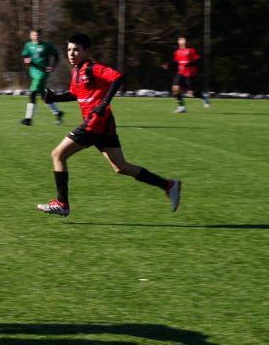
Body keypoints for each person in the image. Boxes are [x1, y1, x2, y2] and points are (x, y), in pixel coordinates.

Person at [36, 33, 182, 217]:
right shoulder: (76, 72)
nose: (72, 54)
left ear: (87, 51)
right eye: (69, 50)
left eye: (76, 50)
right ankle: (168, 185)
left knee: (57, 154)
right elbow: (76, 94)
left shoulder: (91, 68)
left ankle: (62, 203)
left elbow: (117, 78)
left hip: (95, 123)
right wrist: (55, 97)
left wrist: (103, 104)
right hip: (104, 125)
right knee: (120, 167)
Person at [20, 28, 64, 126]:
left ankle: (28, 119)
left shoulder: (46, 46)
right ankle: (58, 113)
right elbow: (25, 55)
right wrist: (26, 59)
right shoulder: (28, 45)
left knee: (32, 93)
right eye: (34, 35)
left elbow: (56, 56)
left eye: (37, 35)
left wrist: (52, 66)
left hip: (42, 73)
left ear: (40, 36)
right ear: (30, 36)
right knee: (44, 96)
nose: (36, 37)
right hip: (33, 71)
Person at [166, 36, 210, 112]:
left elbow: (197, 60)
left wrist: (187, 64)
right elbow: (177, 62)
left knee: (191, 93)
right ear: (178, 42)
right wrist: (169, 65)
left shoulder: (191, 50)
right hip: (180, 73)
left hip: (189, 73)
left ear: (186, 41)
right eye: (181, 39)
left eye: (184, 39)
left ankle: (204, 97)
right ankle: (181, 107)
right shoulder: (177, 52)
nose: (182, 41)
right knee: (175, 89)